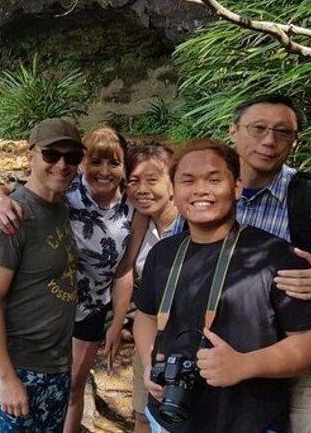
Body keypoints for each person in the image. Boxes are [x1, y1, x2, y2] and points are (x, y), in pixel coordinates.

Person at [133, 139, 311, 432]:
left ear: (237, 187)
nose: (200, 189)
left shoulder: (273, 256)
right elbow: (147, 315)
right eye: (188, 180)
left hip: (248, 419)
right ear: (174, 192)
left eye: (214, 179)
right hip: (172, 416)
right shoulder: (163, 254)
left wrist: (245, 364)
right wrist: (151, 361)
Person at [0, 127, 145, 433]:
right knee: (39, 385)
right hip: (50, 307)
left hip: (92, 309)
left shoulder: (132, 208)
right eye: (95, 161)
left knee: (73, 386)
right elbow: (19, 190)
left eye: (114, 163)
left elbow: (125, 269)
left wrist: (116, 324)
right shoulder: (67, 191)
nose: (104, 171)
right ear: (83, 164)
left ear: (124, 167)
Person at [228, 94, 311, 433]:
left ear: (295, 141)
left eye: (282, 132)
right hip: (212, 348)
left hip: (292, 361)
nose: (269, 141)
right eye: (257, 128)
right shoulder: (206, 190)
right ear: (233, 131)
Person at [0, 118, 84, 432]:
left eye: (72, 158)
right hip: (20, 367)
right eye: (51, 155)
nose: (62, 165)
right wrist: (7, 378)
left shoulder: (60, 205)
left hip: (56, 365)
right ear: (30, 157)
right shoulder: (11, 219)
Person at [115, 144, 180, 433]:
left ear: (174, 184)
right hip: (151, 331)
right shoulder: (141, 219)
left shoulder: (193, 223)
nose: (142, 189)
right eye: (134, 180)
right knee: (142, 412)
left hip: (190, 336)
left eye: (152, 180)